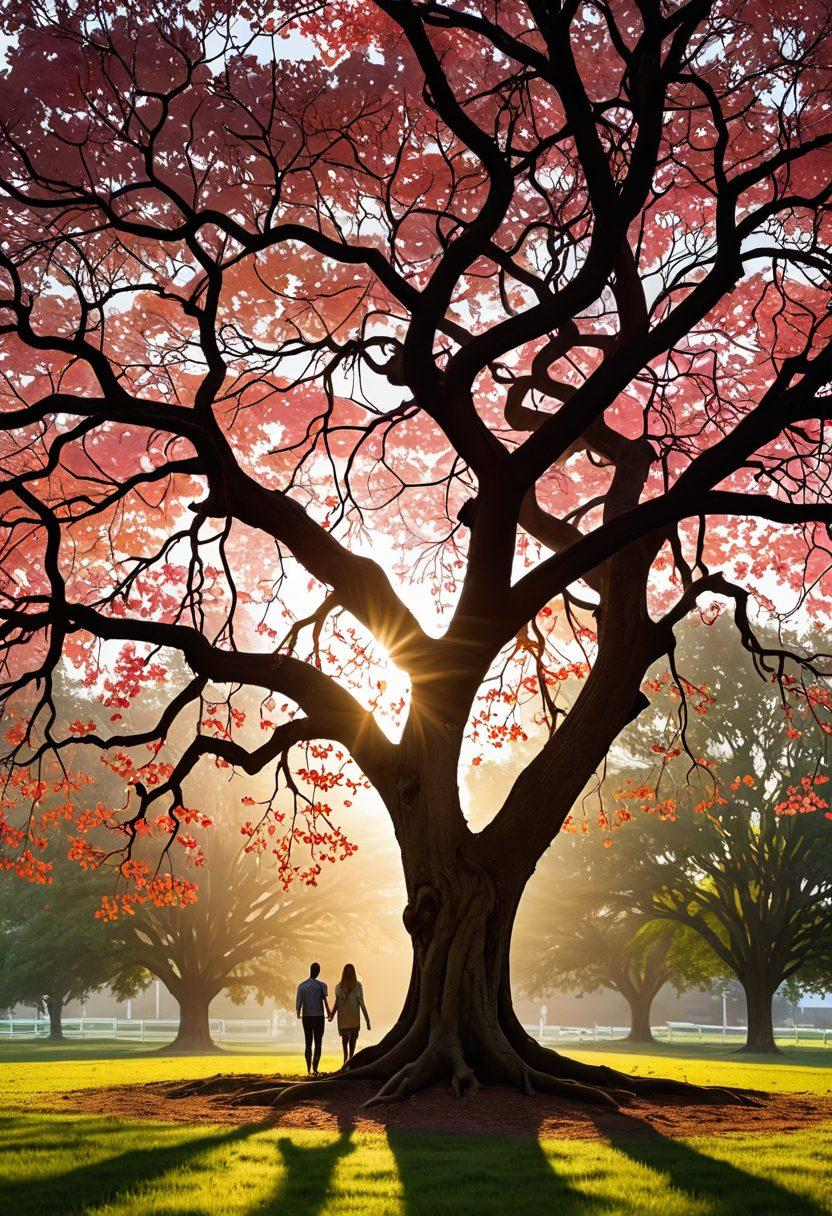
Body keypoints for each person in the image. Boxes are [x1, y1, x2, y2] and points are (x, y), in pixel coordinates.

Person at [328, 963, 371, 1066]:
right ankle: (349, 1062)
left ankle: (346, 1061)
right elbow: (361, 1003)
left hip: (343, 1019)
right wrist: (367, 1020)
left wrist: (332, 1016)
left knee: (345, 1042)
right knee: (352, 1043)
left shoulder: (339, 987)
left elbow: (336, 1004)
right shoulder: (357, 986)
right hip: (353, 1019)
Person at [296, 962, 330, 1077]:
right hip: (319, 1017)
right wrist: (329, 1013)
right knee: (318, 1042)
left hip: (307, 1017)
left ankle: (308, 1068)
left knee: (308, 1042)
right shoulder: (322, 985)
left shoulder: (302, 986)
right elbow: (325, 1001)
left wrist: (298, 1011)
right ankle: (315, 1068)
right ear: (318, 971)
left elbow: (299, 1002)